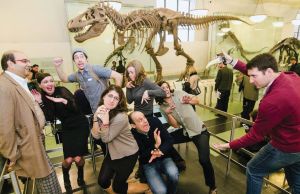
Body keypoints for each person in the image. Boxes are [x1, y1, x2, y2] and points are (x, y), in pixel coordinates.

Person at [214, 53, 300, 194]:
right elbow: (254, 70)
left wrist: (229, 145)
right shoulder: (291, 76)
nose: (251, 81)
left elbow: (255, 136)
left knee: (254, 169)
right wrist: (232, 61)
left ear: (269, 71)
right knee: (297, 182)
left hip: (285, 146)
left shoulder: (272, 101)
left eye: (254, 76)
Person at [0, 50, 62, 194]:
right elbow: (4, 125)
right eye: (24, 61)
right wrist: (12, 155)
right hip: (27, 147)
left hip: (35, 142)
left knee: (49, 181)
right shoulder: (4, 86)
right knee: (48, 182)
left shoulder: (18, 82)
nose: (28, 64)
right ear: (10, 63)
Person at [156, 80, 217, 194]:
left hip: (199, 131)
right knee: (166, 139)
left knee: (204, 160)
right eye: (162, 88)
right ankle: (178, 161)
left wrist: (189, 100)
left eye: (167, 87)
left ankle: (212, 186)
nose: (166, 89)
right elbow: (176, 125)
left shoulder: (179, 93)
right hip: (186, 132)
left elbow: (196, 100)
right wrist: (169, 113)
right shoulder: (162, 107)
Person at [32, 73, 90, 192]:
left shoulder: (62, 90)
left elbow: (76, 108)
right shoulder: (42, 98)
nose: (49, 84)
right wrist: (40, 103)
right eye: (45, 82)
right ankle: (66, 179)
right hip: (67, 128)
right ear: (40, 85)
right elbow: (48, 117)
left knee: (78, 159)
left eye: (51, 80)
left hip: (80, 124)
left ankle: (80, 176)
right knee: (68, 160)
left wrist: (63, 100)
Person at [91, 85, 149, 194]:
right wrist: (95, 118)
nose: (112, 100)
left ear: (119, 102)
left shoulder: (121, 116)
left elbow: (105, 138)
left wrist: (105, 122)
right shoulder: (102, 111)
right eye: (110, 96)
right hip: (113, 153)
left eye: (116, 98)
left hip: (127, 154)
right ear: (103, 96)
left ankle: (148, 187)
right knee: (103, 181)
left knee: (119, 187)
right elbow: (96, 136)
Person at [53, 48, 123, 113]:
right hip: (96, 111)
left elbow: (118, 76)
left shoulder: (95, 69)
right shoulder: (77, 75)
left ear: (86, 59)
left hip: (109, 110)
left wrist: (115, 98)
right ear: (74, 61)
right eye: (76, 58)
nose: (79, 59)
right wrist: (58, 67)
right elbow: (64, 79)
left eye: (81, 56)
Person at [129, 111, 179, 194]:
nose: (145, 121)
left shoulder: (154, 121)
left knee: (173, 174)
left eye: (144, 117)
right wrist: (155, 145)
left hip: (164, 157)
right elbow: (141, 154)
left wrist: (160, 151)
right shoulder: (132, 135)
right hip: (148, 163)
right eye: (140, 120)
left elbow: (169, 140)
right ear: (133, 125)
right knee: (160, 191)